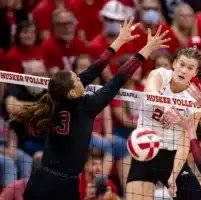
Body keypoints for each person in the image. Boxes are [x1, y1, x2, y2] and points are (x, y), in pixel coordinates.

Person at [12, 18, 170, 200]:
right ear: (72, 91)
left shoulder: (56, 98)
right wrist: (147, 49)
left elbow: (93, 69)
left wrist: (119, 41)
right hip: (64, 185)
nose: (81, 78)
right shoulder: (86, 107)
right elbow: (118, 79)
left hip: (41, 179)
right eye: (77, 79)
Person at [126, 47, 201, 200]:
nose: (183, 70)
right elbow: (151, 91)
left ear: (195, 72)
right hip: (145, 150)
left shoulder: (195, 99)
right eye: (181, 64)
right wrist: (166, 107)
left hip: (171, 156)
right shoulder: (159, 74)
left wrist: (174, 175)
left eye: (190, 68)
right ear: (174, 63)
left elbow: (185, 142)